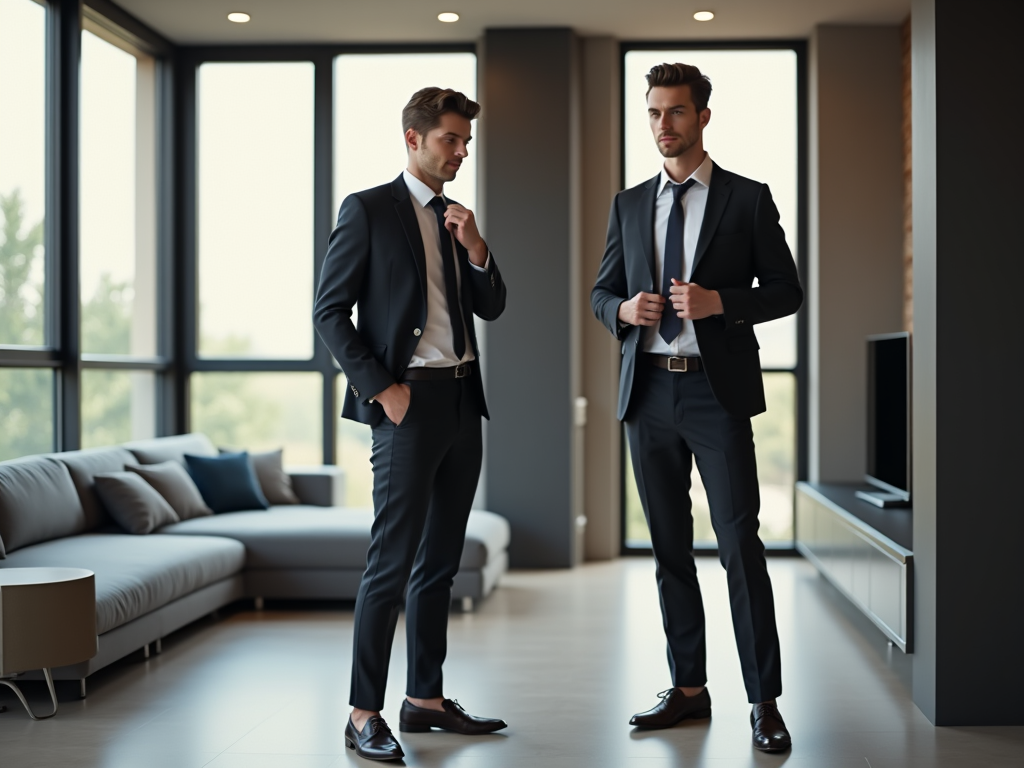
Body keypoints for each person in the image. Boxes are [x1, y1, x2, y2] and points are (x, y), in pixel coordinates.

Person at [591, 62, 802, 753]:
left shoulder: (746, 198)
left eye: (676, 112)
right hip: (646, 390)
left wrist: (721, 303)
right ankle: (688, 688)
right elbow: (600, 296)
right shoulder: (628, 204)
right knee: (668, 550)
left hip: (717, 395)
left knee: (740, 544)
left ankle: (763, 700)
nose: (663, 125)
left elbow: (786, 290)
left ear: (702, 117)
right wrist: (623, 309)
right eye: (653, 113)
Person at [313, 86, 508, 762]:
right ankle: (362, 712)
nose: (460, 152)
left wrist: (477, 246)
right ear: (413, 138)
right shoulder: (367, 210)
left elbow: (494, 305)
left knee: (439, 564)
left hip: (462, 402)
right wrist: (383, 391)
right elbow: (330, 313)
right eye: (450, 140)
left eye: (465, 142)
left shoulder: (458, 217)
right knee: (390, 563)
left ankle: (424, 699)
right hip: (407, 405)